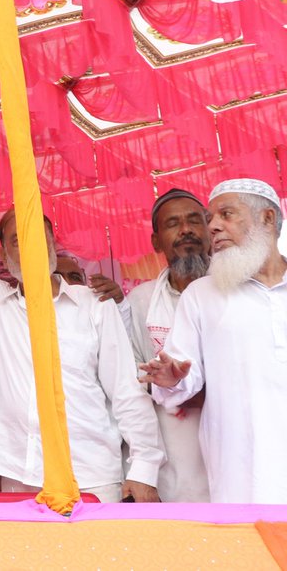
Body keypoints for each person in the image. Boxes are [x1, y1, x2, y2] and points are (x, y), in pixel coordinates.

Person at [0, 121, 163, 502]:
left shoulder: (95, 309)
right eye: (17, 239)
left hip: (91, 475)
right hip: (18, 473)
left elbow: (127, 392)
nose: (29, 245)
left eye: (37, 235)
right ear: (3, 255)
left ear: (53, 243)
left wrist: (144, 469)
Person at [141, 178, 287, 503]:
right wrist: (171, 379)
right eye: (211, 219)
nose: (213, 227)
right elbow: (183, 375)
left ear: (267, 218)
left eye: (226, 214)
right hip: (240, 479)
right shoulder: (202, 295)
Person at [125, 188, 211, 502]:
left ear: (210, 229)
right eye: (173, 223)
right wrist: (168, 386)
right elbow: (131, 382)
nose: (186, 229)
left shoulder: (236, 293)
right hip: (171, 456)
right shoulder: (141, 301)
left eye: (194, 221)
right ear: (156, 241)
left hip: (232, 444)